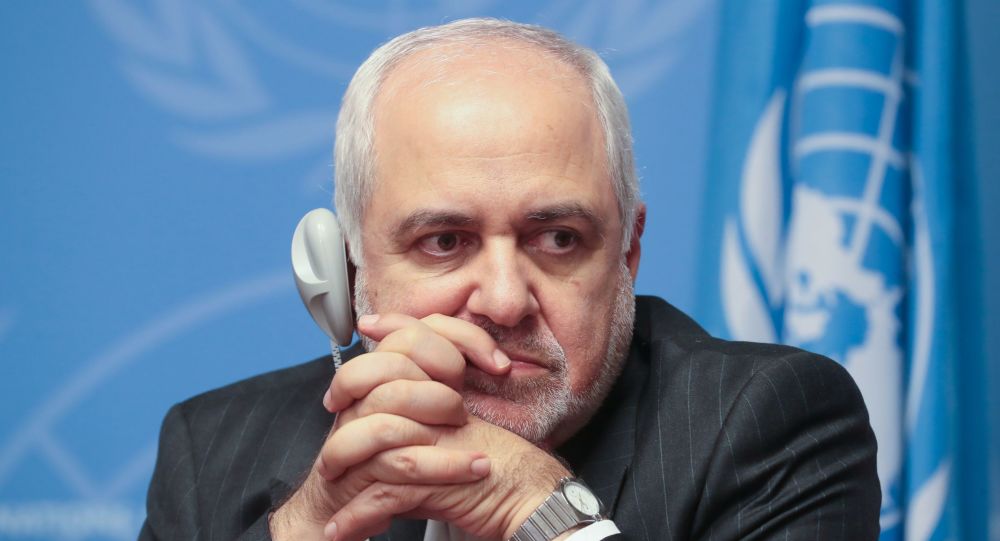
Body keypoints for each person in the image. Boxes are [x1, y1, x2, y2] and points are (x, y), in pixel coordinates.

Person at [140, 18, 880, 541]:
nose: (502, 300)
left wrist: (540, 509)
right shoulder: (214, 447)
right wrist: (307, 529)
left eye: (558, 239)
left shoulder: (771, 424)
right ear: (349, 267)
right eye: (444, 242)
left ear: (627, 253)